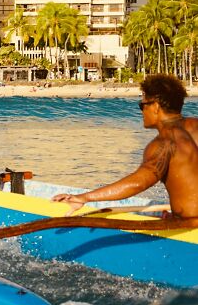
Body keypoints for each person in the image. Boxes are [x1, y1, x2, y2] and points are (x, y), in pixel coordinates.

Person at [53, 74, 198, 219]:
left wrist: (83, 198)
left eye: (142, 105)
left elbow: (138, 183)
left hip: (191, 227)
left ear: (155, 106)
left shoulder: (164, 143)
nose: (142, 111)